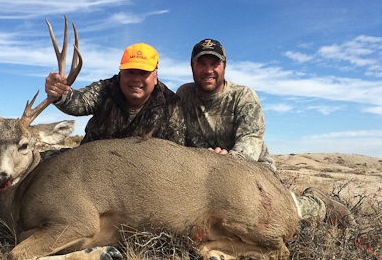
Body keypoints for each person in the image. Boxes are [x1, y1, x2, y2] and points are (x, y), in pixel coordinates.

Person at [177, 39, 351, 225]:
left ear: (224, 67)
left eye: (215, 64)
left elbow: (249, 142)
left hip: (252, 171)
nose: (208, 70)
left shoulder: (243, 96)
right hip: (203, 176)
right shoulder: (184, 94)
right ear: (192, 66)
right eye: (201, 63)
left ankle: (316, 204)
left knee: (263, 219)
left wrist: (220, 163)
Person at [45, 43, 184, 145]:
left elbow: (176, 149)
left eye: (143, 73)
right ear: (120, 73)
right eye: (130, 72)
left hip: (143, 174)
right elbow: (78, 102)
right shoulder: (106, 89)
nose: (136, 79)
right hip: (89, 166)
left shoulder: (171, 104)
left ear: (155, 77)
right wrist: (59, 92)